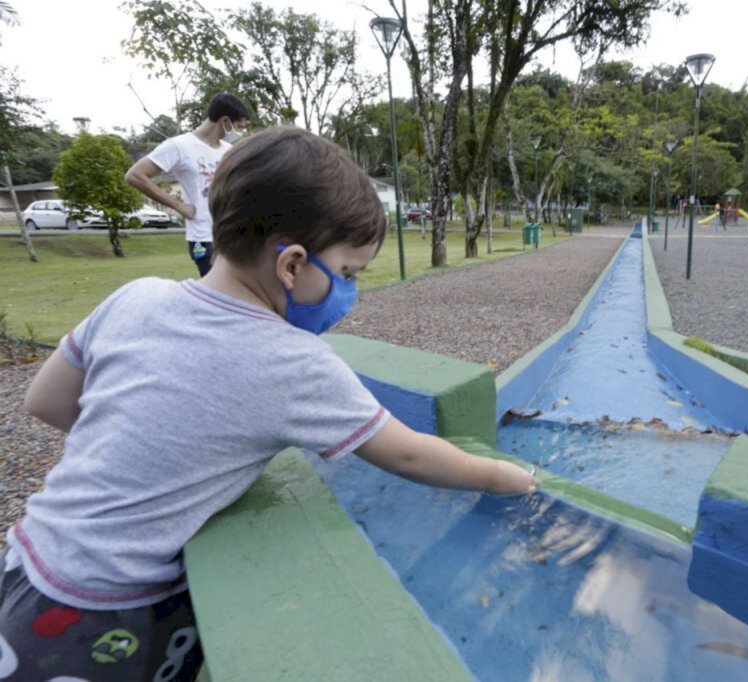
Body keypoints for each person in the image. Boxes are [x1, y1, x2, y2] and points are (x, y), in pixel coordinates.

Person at [2, 127, 538, 681]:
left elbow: (46, 400)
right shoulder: (293, 362)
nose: (348, 293)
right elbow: (407, 454)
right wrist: (503, 477)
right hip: (108, 615)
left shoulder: (136, 296)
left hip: (26, 559)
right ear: (291, 264)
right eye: (347, 274)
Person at [125, 92, 251, 277]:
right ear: (225, 122)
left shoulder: (229, 151)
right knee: (216, 298)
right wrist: (179, 206)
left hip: (232, 235)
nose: (239, 133)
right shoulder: (179, 146)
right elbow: (135, 175)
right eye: (239, 127)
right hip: (204, 237)